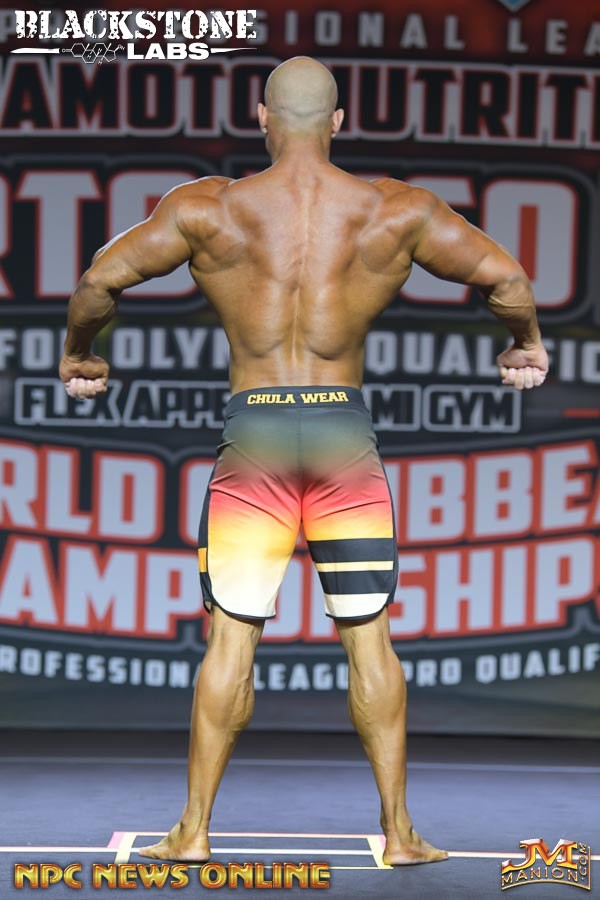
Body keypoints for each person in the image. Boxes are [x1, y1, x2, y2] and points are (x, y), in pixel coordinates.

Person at [59, 57, 549, 866]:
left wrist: (82, 353)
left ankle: (193, 832)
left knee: (230, 640)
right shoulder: (397, 211)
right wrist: (523, 342)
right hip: (340, 440)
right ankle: (400, 834)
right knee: (369, 639)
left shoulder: (207, 209)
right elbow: (506, 277)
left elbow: (100, 279)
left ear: (261, 116)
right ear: (339, 121)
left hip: (254, 438)